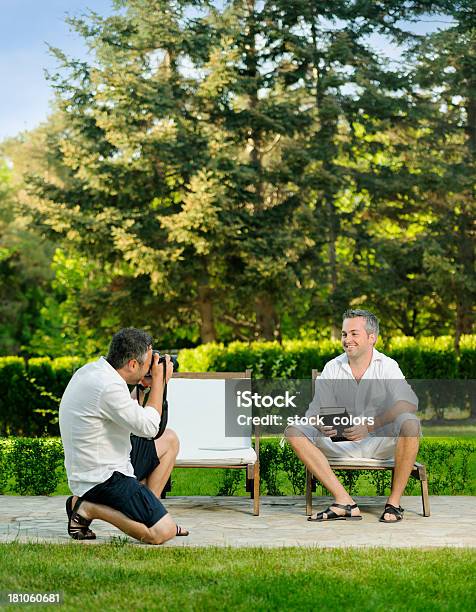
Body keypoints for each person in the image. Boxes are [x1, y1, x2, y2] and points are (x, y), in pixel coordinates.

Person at [285, 309, 421, 523]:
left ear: (371, 337)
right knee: (293, 431)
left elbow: (409, 402)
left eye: (354, 334)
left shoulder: (387, 366)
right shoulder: (332, 367)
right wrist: (320, 425)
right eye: (344, 334)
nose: (347, 340)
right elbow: (314, 412)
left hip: (380, 443)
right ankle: (344, 502)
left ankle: (393, 504)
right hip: (338, 442)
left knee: (411, 425)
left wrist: (370, 426)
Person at [59, 327, 188, 544]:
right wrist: (159, 383)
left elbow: (127, 414)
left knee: (170, 440)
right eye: (148, 363)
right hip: (102, 478)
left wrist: (143, 387)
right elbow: (148, 427)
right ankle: (88, 508)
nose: (151, 367)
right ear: (133, 364)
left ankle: (147, 512)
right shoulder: (107, 387)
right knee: (162, 533)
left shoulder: (94, 372)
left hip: (102, 463)